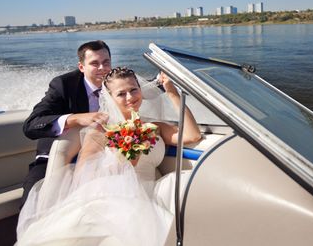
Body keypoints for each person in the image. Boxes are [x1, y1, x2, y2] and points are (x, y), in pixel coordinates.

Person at [16, 67, 202, 245]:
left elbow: (192, 135)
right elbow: (84, 175)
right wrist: (127, 159)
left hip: (151, 192)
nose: (130, 97)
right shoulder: (100, 130)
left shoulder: (155, 126)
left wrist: (172, 94)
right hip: (114, 196)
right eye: (121, 94)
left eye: (133, 90)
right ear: (110, 97)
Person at [21, 40, 112, 205]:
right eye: (94, 63)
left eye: (106, 62)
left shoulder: (115, 81)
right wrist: (75, 118)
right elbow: (31, 125)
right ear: (81, 67)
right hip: (56, 157)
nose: (102, 68)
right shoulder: (63, 85)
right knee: (34, 200)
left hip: (102, 155)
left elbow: (142, 87)